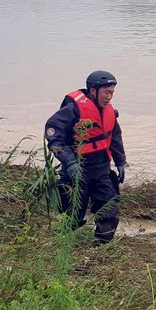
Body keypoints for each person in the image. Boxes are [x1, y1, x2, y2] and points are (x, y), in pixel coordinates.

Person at [44, 70, 127, 244]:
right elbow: (54, 136)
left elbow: (115, 136)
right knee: (73, 216)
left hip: (101, 170)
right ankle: (63, 247)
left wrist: (120, 161)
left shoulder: (109, 111)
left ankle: (99, 248)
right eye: (106, 92)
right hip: (77, 170)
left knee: (109, 212)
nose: (109, 97)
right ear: (93, 91)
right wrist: (70, 163)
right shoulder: (73, 109)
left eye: (112, 93)